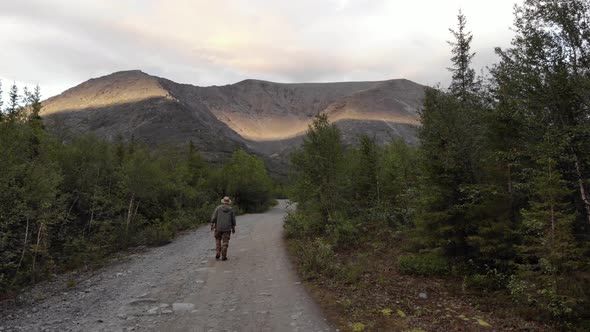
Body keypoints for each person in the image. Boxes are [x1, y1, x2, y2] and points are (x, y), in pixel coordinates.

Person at [210, 196, 236, 261]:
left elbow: (214, 217)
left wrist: (212, 224)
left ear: (223, 202)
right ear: (228, 202)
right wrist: (233, 227)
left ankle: (218, 252)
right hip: (227, 228)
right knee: (225, 241)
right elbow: (233, 220)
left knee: (218, 239)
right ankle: (224, 255)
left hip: (218, 227)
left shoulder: (218, 208)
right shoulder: (231, 209)